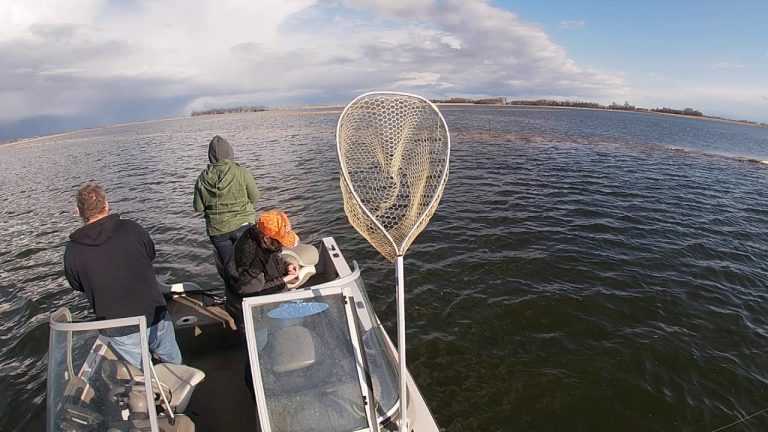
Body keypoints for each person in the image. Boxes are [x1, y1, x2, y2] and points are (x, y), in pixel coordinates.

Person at [64, 183, 182, 369]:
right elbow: (150, 254)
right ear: (106, 205)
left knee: (141, 372)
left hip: (116, 324)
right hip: (153, 309)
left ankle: (153, 393)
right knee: (172, 358)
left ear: (78, 212)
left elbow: (76, 284)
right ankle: (181, 384)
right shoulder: (132, 228)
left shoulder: (72, 250)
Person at [224, 210, 299, 333]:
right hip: (250, 308)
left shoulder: (258, 234)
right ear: (267, 238)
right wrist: (285, 279)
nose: (281, 246)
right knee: (259, 339)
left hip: (263, 297)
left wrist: (287, 266)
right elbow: (252, 290)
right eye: (279, 242)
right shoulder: (251, 259)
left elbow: (272, 258)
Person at [193, 135, 260, 269]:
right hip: (244, 225)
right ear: (230, 152)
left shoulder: (201, 178)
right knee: (251, 265)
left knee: (231, 269)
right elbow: (254, 197)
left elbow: (198, 208)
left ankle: (233, 287)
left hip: (218, 230)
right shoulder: (242, 172)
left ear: (210, 156)